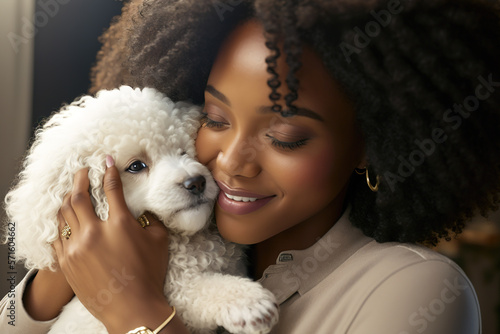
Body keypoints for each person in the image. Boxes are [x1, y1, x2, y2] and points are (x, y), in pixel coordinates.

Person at [2, 0, 500, 333]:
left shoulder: (418, 290)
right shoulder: (171, 234)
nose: (231, 163)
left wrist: (135, 310)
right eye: (215, 119)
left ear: (369, 147)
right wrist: (64, 273)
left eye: (285, 137)